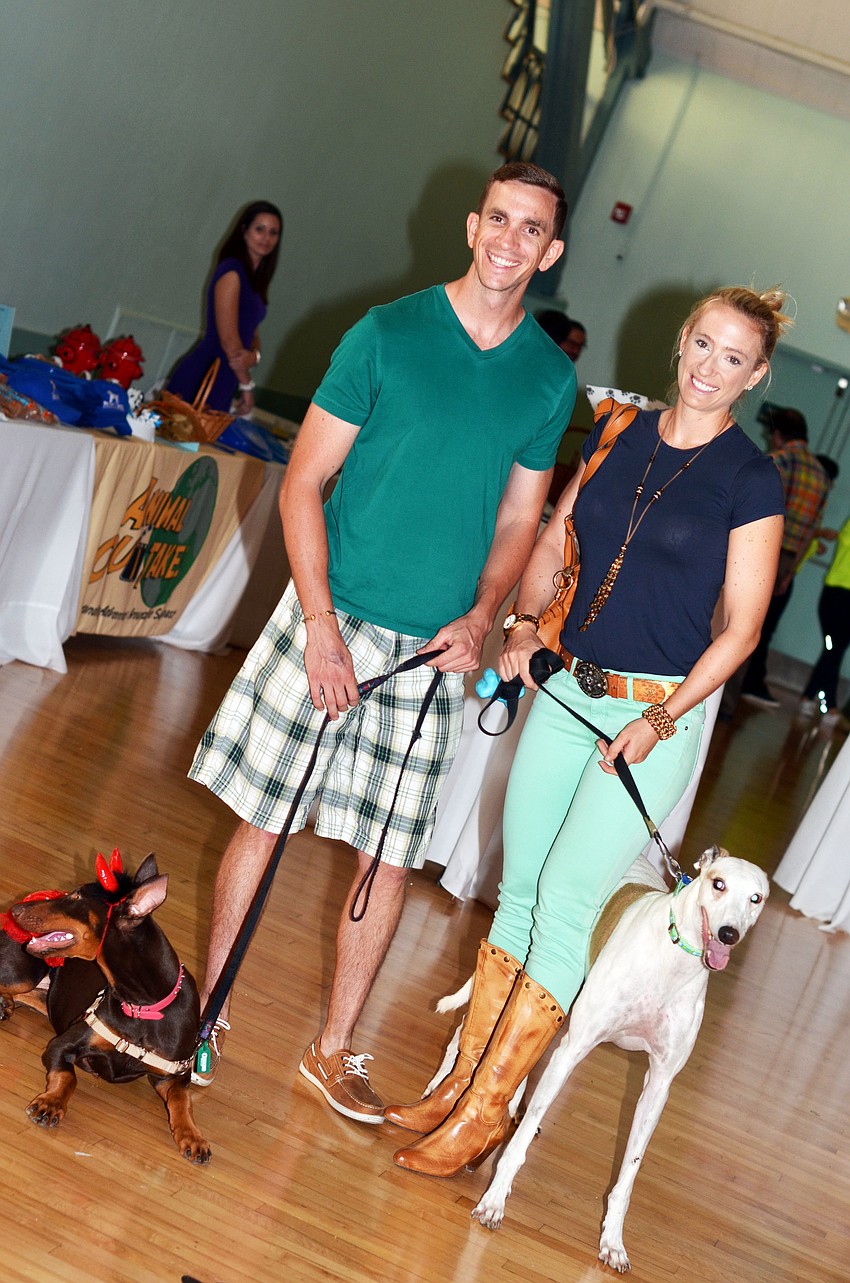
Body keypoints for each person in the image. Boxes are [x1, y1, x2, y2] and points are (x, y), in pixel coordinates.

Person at [187, 162, 577, 1118]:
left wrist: (484, 614)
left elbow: (521, 520)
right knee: (264, 819)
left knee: (389, 856)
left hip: (437, 651)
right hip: (330, 618)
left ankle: (335, 1047)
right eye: (500, 219)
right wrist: (320, 627)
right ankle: (203, 1014)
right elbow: (301, 483)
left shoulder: (546, 377)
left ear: (550, 250)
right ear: (472, 224)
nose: (510, 240)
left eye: (532, 230)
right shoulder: (388, 332)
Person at [387, 285, 788, 1177]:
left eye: (734, 358)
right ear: (682, 341)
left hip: (651, 715)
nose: (711, 367)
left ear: (756, 375)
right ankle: (458, 1084)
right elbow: (559, 531)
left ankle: (487, 1114)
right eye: (703, 344)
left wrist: (660, 718)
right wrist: (527, 627)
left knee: (565, 905)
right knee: (518, 889)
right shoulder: (618, 430)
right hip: (568, 691)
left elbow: (743, 630)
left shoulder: (750, 479)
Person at [740, 406, 831, 708]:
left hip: (760, 553)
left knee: (739, 626)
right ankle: (747, 688)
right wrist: (789, 573)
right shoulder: (820, 474)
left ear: (778, 435)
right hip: (789, 561)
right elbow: (811, 530)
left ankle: (726, 698)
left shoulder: (778, 461)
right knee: (764, 629)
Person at [167, 200, 282, 416]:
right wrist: (247, 386)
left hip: (225, 377)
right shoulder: (232, 271)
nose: (266, 238)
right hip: (204, 375)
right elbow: (230, 342)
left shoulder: (255, 280)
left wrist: (255, 355)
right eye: (260, 229)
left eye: (273, 232)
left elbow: (252, 330)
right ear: (244, 230)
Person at [799, 513, 850, 725]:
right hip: (836, 596)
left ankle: (810, 697)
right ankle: (829, 705)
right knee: (833, 649)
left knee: (835, 650)